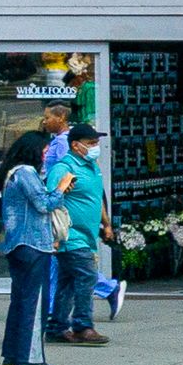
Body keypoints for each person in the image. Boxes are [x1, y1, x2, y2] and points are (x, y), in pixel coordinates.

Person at [0, 132, 61, 365]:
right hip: (33, 243)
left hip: (17, 244)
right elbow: (43, 204)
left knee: (20, 302)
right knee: (34, 304)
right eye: (43, 151)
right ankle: (30, 359)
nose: (45, 156)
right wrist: (61, 188)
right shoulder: (26, 172)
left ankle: (13, 355)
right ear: (32, 150)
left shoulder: (12, 172)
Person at [46, 122, 114, 346]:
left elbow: (96, 198)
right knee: (87, 276)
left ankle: (57, 327)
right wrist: (53, 237)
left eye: (97, 142)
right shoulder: (63, 168)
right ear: (75, 146)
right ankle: (83, 326)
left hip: (87, 235)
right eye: (91, 143)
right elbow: (49, 201)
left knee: (67, 281)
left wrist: (106, 225)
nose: (96, 147)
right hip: (70, 235)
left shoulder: (92, 166)